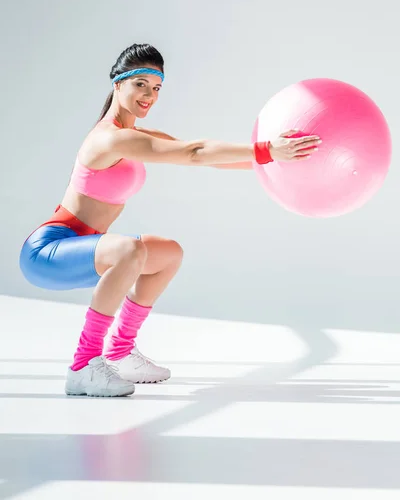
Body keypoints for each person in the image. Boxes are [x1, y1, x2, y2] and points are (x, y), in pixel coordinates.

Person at [19, 43, 321, 398]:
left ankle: (120, 351)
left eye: (157, 87)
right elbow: (194, 154)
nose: (149, 95)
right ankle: (83, 365)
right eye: (141, 84)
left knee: (167, 253)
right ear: (118, 84)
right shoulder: (109, 139)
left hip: (84, 248)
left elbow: (200, 153)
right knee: (131, 250)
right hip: (49, 250)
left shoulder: (136, 136)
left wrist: (275, 162)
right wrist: (267, 149)